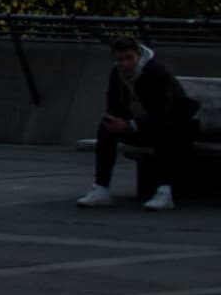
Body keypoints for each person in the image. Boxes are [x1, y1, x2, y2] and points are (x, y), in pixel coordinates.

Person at [83, 39, 200, 212]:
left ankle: (165, 191)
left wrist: (130, 125)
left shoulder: (155, 72)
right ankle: (101, 188)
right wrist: (114, 121)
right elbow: (114, 104)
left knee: (165, 131)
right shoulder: (117, 74)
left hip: (178, 127)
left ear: (139, 56)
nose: (125, 64)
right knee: (106, 129)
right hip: (143, 126)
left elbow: (163, 110)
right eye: (120, 59)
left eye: (129, 58)